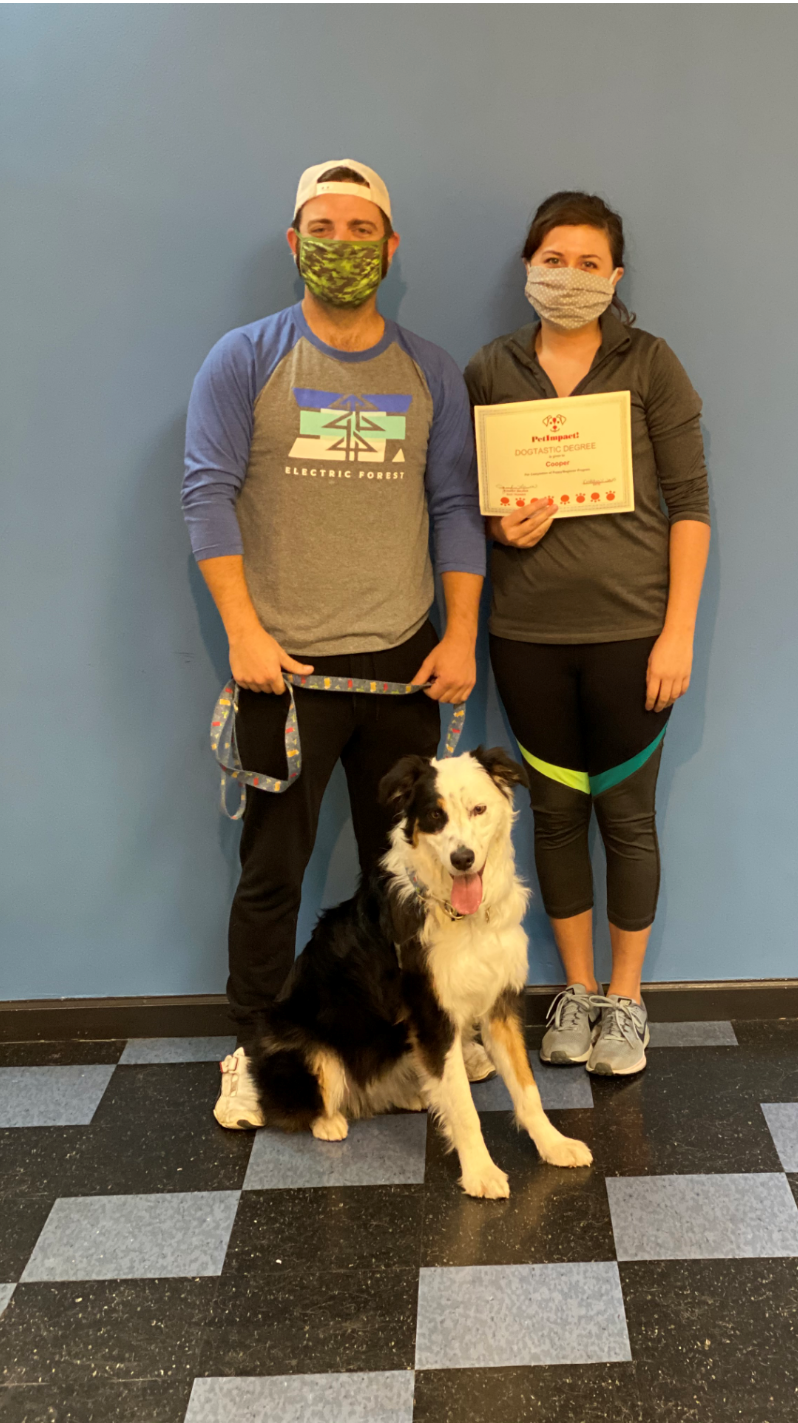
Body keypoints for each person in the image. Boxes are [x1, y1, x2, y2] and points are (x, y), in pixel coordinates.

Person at [183, 160, 484, 1126]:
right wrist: (242, 632)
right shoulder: (245, 358)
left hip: (404, 664)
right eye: (323, 227)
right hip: (284, 669)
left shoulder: (431, 371)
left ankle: (416, 1043)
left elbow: (456, 506)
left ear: (390, 248)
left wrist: (461, 636)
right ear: (294, 241)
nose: (341, 245)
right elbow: (206, 494)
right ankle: (255, 1053)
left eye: (361, 230)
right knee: (272, 875)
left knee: (412, 878)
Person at [464, 191, 710, 1076]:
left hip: (633, 635)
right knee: (557, 815)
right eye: (553, 259)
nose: (568, 276)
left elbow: (691, 504)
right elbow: (464, 500)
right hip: (525, 637)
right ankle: (575, 989)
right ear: (528, 266)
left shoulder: (650, 363)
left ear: (615, 275)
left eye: (588, 263)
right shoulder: (490, 369)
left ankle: (627, 998)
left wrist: (677, 632)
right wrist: (498, 528)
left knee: (628, 817)